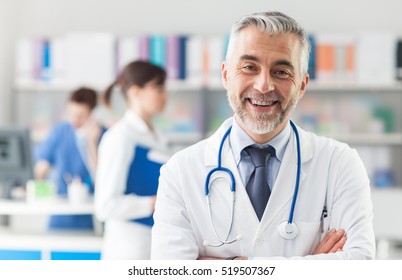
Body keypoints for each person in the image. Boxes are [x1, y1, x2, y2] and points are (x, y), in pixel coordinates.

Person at [151, 11, 375, 260]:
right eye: (249, 67)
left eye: (281, 71)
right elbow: (169, 271)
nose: (263, 85)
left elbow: (359, 263)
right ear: (226, 75)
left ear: (302, 85)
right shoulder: (180, 171)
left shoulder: (339, 162)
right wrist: (311, 263)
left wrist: (233, 266)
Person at [95, 60, 169, 260]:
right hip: (128, 250)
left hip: (152, 245)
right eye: (158, 89)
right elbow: (105, 205)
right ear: (136, 92)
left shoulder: (156, 135)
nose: (165, 95)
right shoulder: (120, 136)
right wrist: (154, 203)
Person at [34, 87, 106, 230]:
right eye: (71, 114)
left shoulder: (105, 136)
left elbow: (103, 177)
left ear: (94, 115)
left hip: (91, 213)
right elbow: (42, 164)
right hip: (62, 211)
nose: (74, 120)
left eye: (80, 115)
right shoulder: (61, 131)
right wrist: (41, 170)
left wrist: (92, 144)